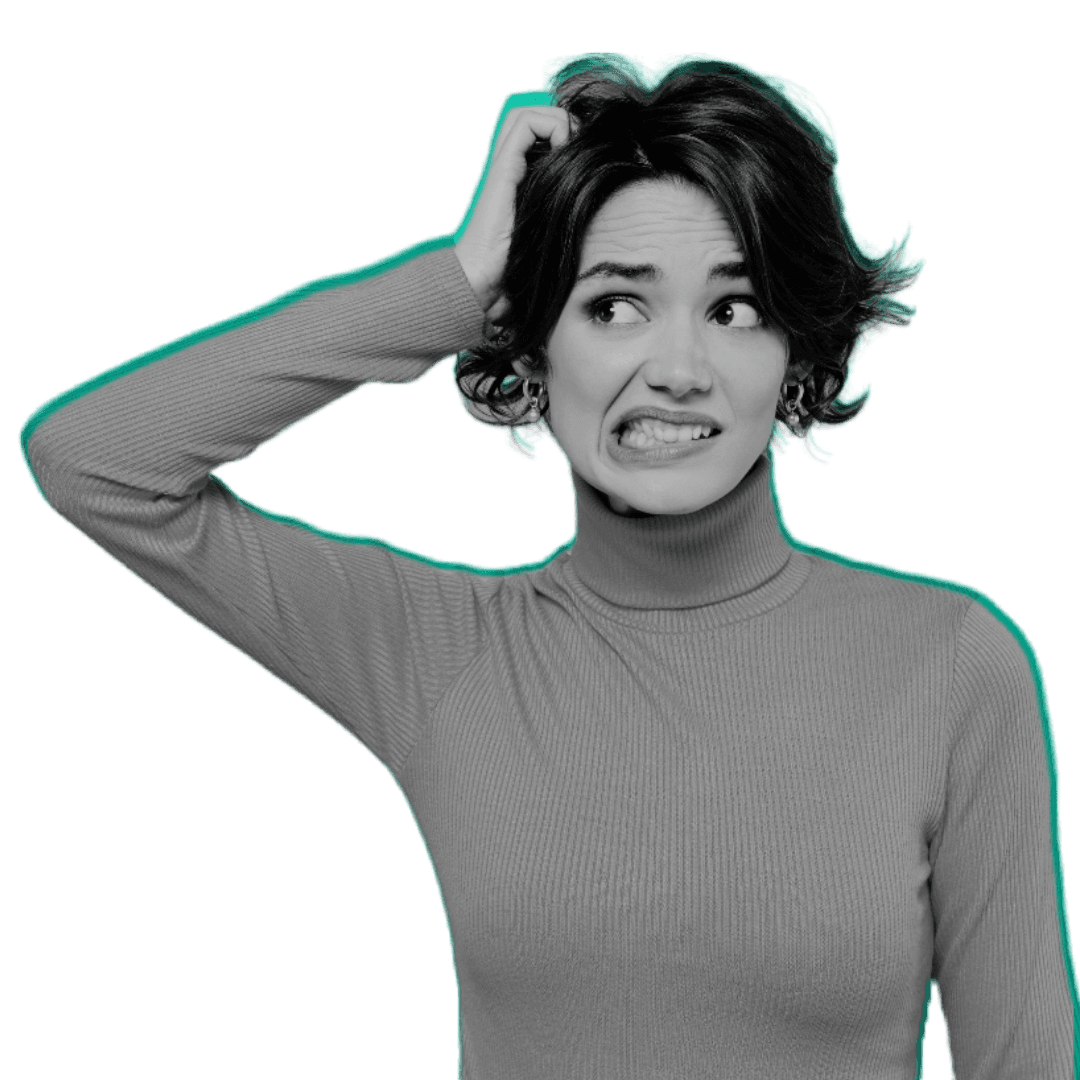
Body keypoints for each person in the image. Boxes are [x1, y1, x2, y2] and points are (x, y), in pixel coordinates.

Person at [20, 50, 1075, 1079]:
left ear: (794, 357)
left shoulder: (952, 666)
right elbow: (98, 465)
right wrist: (454, 286)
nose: (677, 370)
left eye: (735, 308)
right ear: (532, 352)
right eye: (614, 305)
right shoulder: (443, 653)